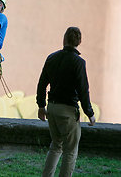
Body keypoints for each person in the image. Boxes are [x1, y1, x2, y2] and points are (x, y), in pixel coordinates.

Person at [36, 27, 96, 177]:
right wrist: (90, 113)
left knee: (55, 146)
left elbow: (42, 84)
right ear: (79, 42)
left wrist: (41, 106)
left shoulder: (52, 58)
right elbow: (83, 91)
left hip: (52, 108)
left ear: (64, 39)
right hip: (68, 112)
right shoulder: (79, 62)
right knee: (70, 151)